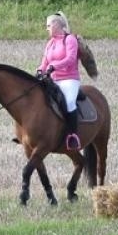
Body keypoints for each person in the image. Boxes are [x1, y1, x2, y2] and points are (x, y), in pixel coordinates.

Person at [39, 12, 83, 151]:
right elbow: (45, 62)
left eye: (48, 25)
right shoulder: (50, 43)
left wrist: (54, 66)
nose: (47, 28)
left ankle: (73, 136)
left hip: (69, 79)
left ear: (57, 25)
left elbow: (70, 59)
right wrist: (40, 70)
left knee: (69, 102)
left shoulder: (70, 40)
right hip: (53, 79)